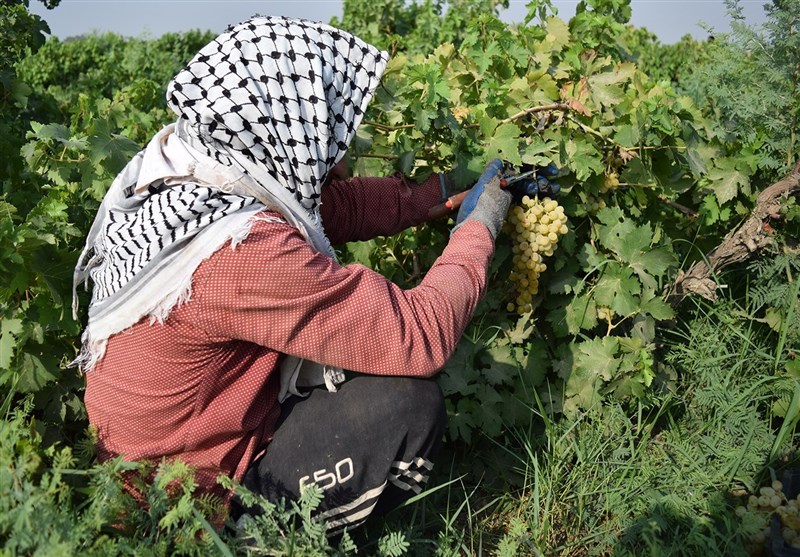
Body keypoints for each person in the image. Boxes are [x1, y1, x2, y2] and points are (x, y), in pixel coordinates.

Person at [72, 15, 512, 533]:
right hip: (184, 500)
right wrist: (484, 221)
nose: (340, 155)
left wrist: (435, 194)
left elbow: (329, 206)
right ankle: (252, 538)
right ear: (288, 122)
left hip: (161, 455)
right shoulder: (237, 255)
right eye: (328, 129)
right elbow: (417, 335)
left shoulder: (189, 175)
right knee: (406, 407)